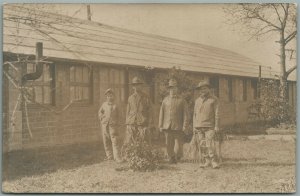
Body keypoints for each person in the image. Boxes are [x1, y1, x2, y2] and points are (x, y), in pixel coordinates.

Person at [159, 79, 188, 164]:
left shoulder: (182, 100)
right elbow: (161, 113)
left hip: (178, 125)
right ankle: (171, 157)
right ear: (169, 89)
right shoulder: (165, 100)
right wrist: (160, 125)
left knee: (178, 144)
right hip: (167, 125)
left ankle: (178, 157)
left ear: (177, 89)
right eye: (171, 88)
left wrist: (184, 125)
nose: (172, 90)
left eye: (174, 88)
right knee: (168, 143)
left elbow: (186, 114)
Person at [193, 80, 220, 169]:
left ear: (208, 89)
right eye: (201, 89)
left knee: (210, 144)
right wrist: (194, 126)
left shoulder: (214, 99)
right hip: (199, 126)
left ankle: (214, 161)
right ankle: (206, 161)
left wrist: (216, 125)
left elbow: (217, 113)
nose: (203, 91)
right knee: (202, 145)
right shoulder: (197, 100)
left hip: (209, 126)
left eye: (205, 88)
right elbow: (195, 114)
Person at [125, 76, 153, 144]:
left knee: (143, 143)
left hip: (142, 124)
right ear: (133, 87)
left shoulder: (146, 97)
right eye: (134, 85)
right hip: (132, 124)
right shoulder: (130, 98)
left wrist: (149, 124)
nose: (136, 87)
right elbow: (128, 112)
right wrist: (127, 123)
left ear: (141, 86)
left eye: (138, 85)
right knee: (131, 143)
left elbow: (150, 111)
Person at [98, 88, 122, 162]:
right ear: (106, 97)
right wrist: (101, 118)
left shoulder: (116, 105)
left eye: (111, 96)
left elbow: (120, 115)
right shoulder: (104, 104)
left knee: (115, 141)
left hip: (113, 126)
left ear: (114, 96)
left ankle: (117, 157)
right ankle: (109, 156)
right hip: (105, 125)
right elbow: (100, 112)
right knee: (106, 141)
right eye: (108, 96)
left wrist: (117, 123)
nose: (109, 97)